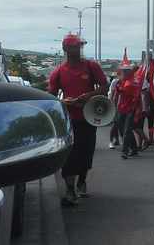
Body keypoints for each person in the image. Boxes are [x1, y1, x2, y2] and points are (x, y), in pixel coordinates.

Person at [47, 34, 108, 205]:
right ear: (65, 49)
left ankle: (82, 179)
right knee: (69, 155)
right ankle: (70, 190)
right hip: (68, 120)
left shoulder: (91, 66)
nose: (77, 50)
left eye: (79, 47)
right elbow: (51, 95)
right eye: (73, 47)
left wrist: (87, 96)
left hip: (89, 119)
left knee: (86, 153)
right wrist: (63, 101)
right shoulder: (59, 72)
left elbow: (104, 86)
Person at [117, 62, 142, 159]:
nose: (121, 73)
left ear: (128, 73)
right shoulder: (125, 81)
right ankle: (134, 149)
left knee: (127, 131)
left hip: (130, 110)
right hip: (123, 108)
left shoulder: (131, 83)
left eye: (123, 72)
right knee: (123, 130)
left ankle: (125, 151)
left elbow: (124, 91)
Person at [108, 72, 122, 149]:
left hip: (122, 105)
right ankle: (110, 141)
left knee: (119, 124)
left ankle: (116, 140)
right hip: (114, 104)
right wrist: (113, 106)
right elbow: (113, 95)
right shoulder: (115, 81)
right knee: (115, 123)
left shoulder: (127, 80)